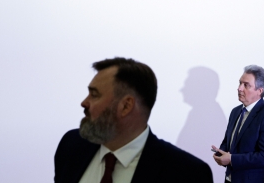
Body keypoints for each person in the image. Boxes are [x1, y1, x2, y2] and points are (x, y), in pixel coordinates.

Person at [54, 57, 213, 183]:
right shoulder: (72, 146)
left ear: (126, 106)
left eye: (94, 95)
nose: (84, 102)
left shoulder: (186, 173)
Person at [212, 65, 264, 183]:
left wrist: (232, 159)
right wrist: (221, 152)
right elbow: (229, 142)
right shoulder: (235, 111)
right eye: (240, 83)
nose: (239, 88)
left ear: (260, 91)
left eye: (246, 85)